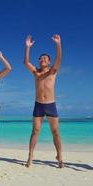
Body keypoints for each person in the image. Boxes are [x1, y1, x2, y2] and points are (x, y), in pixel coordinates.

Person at [24, 34, 63, 168]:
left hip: (51, 105)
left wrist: (58, 44)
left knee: (55, 132)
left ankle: (60, 156)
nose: (42, 59)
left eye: (45, 58)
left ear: (49, 61)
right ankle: (30, 156)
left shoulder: (53, 71)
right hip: (38, 105)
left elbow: (59, 59)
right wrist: (27, 47)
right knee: (35, 131)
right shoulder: (36, 72)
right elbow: (26, 63)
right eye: (40, 58)